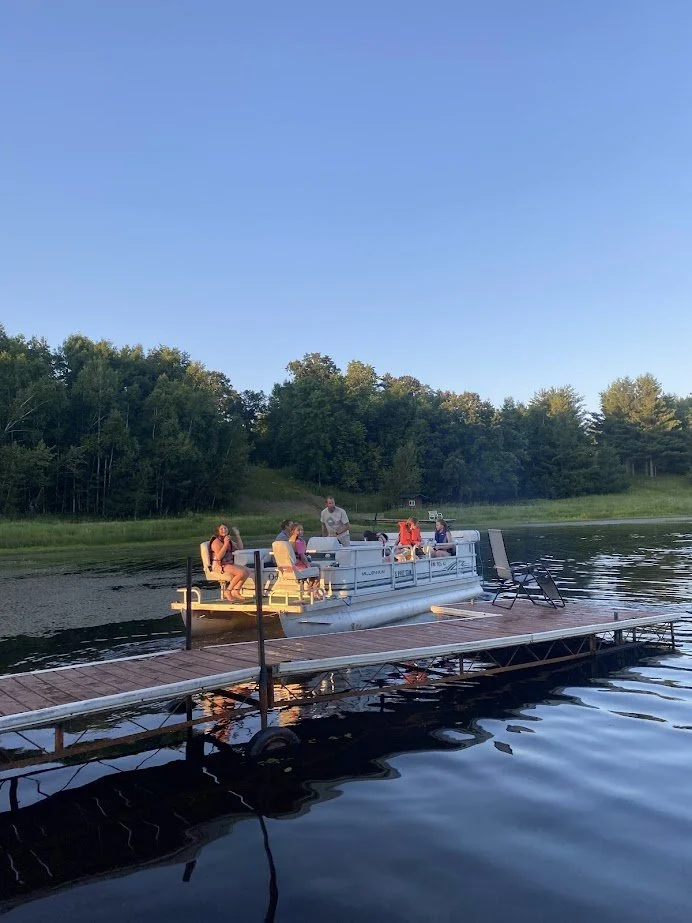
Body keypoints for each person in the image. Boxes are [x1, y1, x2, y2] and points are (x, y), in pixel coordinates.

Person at [209, 523, 250, 602]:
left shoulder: (228, 539)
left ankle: (235, 591)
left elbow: (240, 548)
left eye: (225, 528)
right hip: (218, 564)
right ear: (218, 531)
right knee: (240, 573)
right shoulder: (216, 542)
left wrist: (238, 535)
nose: (224, 530)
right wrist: (225, 544)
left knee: (247, 571)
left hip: (228, 563)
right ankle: (228, 591)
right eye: (221, 529)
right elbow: (219, 557)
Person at [289, 523, 323, 599]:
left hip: (293, 565)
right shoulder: (298, 542)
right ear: (293, 531)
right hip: (300, 566)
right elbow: (302, 556)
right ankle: (314, 591)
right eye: (298, 530)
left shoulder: (289, 541)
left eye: (302, 530)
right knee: (317, 567)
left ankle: (310, 589)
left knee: (314, 568)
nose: (301, 531)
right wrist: (308, 566)